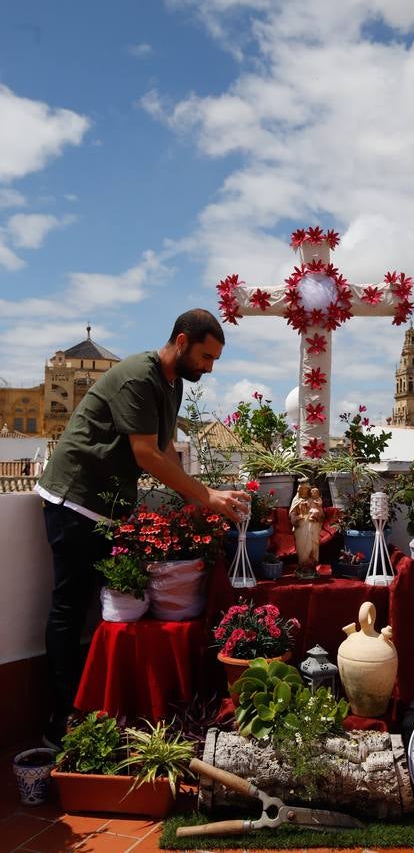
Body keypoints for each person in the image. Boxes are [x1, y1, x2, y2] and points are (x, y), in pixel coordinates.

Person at [36, 308, 249, 748]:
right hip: (74, 500)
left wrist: (203, 497)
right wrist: (206, 497)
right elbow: (145, 455)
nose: (209, 369)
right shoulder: (138, 376)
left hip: (105, 509)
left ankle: (90, 713)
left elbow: (167, 450)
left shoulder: (171, 386)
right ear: (183, 340)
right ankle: (60, 719)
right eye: (206, 357)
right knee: (69, 611)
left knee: (97, 612)